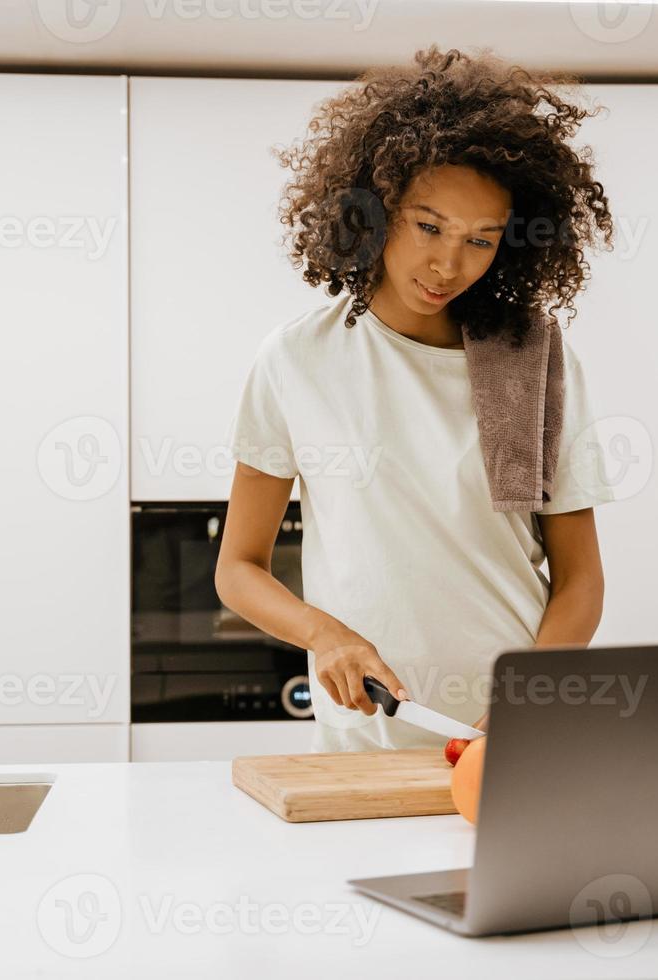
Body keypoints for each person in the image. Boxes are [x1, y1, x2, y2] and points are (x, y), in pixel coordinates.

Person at [214, 45, 617, 752]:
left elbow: (579, 579)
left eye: (480, 240)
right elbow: (238, 568)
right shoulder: (297, 359)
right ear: (376, 210)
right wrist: (324, 634)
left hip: (511, 740)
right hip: (366, 740)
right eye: (429, 226)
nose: (447, 264)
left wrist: (529, 697)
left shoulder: (534, 357)